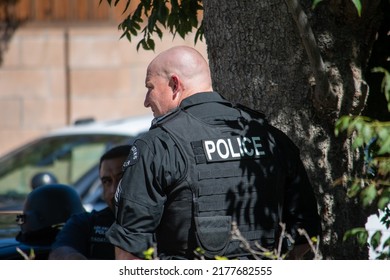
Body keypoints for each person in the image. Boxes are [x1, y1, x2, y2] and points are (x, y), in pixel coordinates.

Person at [106, 46, 322, 260]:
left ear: (174, 84)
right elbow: (305, 235)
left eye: (150, 87)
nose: (146, 101)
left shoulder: (158, 145)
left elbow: (129, 251)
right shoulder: (271, 138)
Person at [49, 145, 131, 260]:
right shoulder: (85, 224)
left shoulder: (163, 224)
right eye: (107, 181)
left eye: (122, 178)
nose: (114, 190)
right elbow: (61, 253)